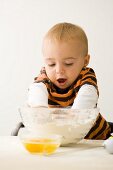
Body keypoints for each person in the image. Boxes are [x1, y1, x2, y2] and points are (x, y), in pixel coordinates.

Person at [12, 22, 113, 138]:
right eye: (51, 64)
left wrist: (72, 118)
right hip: (59, 138)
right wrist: (40, 110)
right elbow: (36, 89)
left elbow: (88, 95)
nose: (59, 70)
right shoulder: (45, 78)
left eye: (68, 63)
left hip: (93, 138)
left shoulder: (86, 77)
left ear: (85, 61)